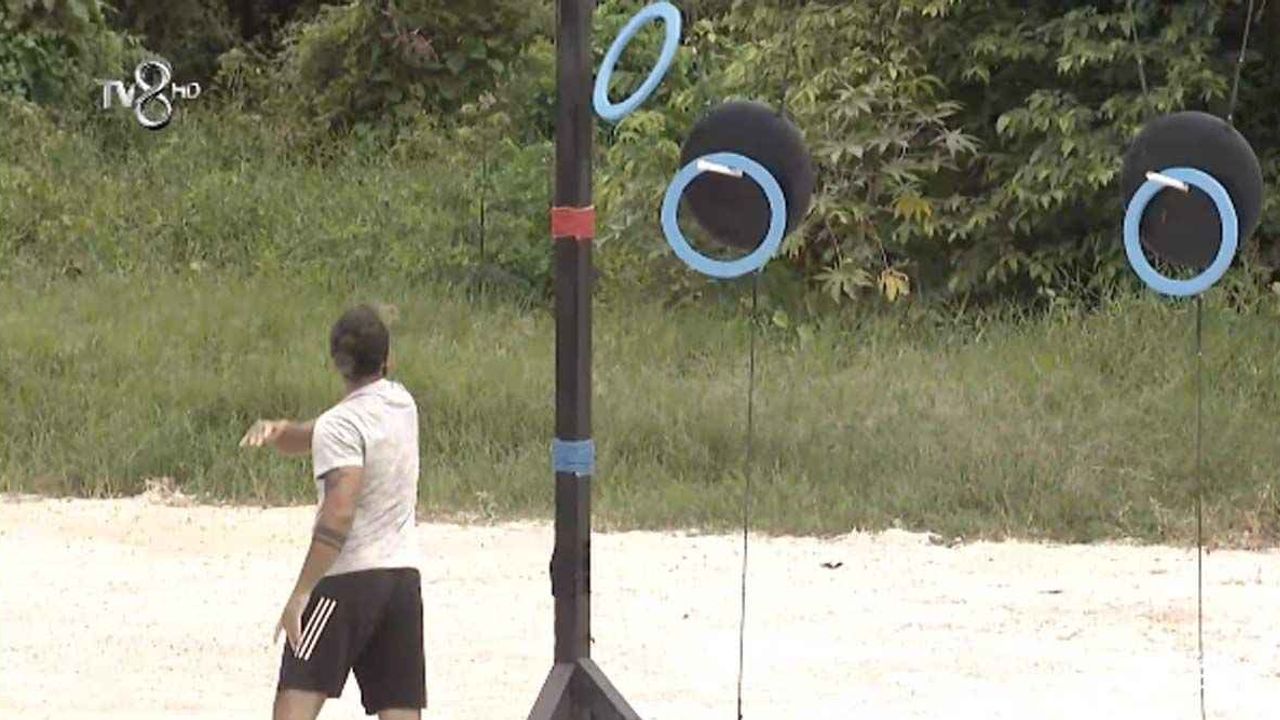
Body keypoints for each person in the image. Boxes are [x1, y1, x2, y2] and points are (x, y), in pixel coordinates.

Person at [240, 305, 425, 720]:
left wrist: (302, 591)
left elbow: (339, 512)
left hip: (346, 580)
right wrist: (281, 431)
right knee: (399, 709)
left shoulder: (340, 425)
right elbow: (324, 431)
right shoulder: (402, 403)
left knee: (295, 701)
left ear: (336, 362)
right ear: (388, 359)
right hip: (401, 580)